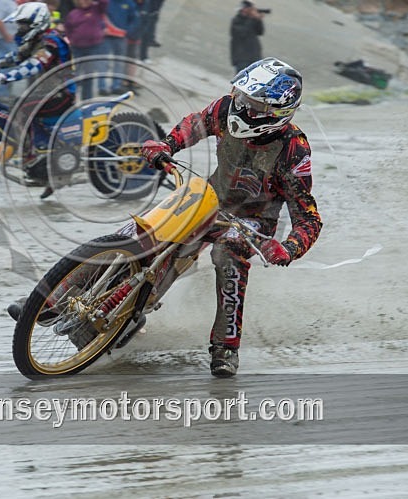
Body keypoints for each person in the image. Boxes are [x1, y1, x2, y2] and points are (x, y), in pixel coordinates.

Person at [141, 58, 323, 377]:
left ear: (275, 111)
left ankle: (226, 346)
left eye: (252, 103)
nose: (242, 106)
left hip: (255, 222)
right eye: (242, 97)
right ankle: (60, 296)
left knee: (228, 251)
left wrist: (289, 248)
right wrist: (165, 144)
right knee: (153, 228)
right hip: (210, 197)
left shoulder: (294, 149)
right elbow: (196, 123)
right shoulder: (226, 108)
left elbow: (308, 217)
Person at [0, 2, 75, 198]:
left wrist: (3, 77)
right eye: (20, 25)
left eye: (24, 25)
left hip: (61, 94)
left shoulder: (51, 42)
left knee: (20, 109)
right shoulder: (38, 39)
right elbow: (14, 57)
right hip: (48, 92)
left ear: (37, 23)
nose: (20, 28)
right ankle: (45, 160)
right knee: (20, 105)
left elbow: (34, 66)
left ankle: (33, 157)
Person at [64, 0, 109, 99]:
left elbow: (105, 2)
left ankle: (87, 100)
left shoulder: (96, 9)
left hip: (93, 48)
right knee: (76, 75)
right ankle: (71, 98)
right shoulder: (73, 14)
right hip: (77, 49)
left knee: (88, 76)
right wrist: (71, 40)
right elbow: (68, 29)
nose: (84, 1)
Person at [103, 0, 139, 95]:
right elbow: (100, 15)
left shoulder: (129, 4)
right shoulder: (107, 2)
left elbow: (134, 19)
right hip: (106, 37)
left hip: (121, 38)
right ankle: (102, 87)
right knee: (103, 61)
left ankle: (116, 86)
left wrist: (127, 32)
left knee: (119, 62)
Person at [230, 0, 264, 74]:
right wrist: (252, 19)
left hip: (255, 57)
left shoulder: (252, 20)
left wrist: (258, 20)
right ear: (244, 9)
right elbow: (242, 33)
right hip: (241, 58)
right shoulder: (236, 20)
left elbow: (260, 32)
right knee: (242, 81)